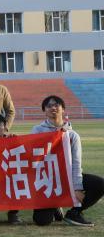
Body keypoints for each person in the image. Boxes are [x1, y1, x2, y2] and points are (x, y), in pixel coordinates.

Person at [31, 96, 99, 228]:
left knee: (99, 184)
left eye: (56, 105)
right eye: (49, 106)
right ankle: (56, 205)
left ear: (63, 109)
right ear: (44, 111)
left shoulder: (72, 135)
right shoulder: (37, 131)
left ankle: (75, 213)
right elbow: (32, 156)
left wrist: (77, 188)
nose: (53, 108)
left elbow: (76, 163)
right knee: (42, 221)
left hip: (67, 178)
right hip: (48, 181)